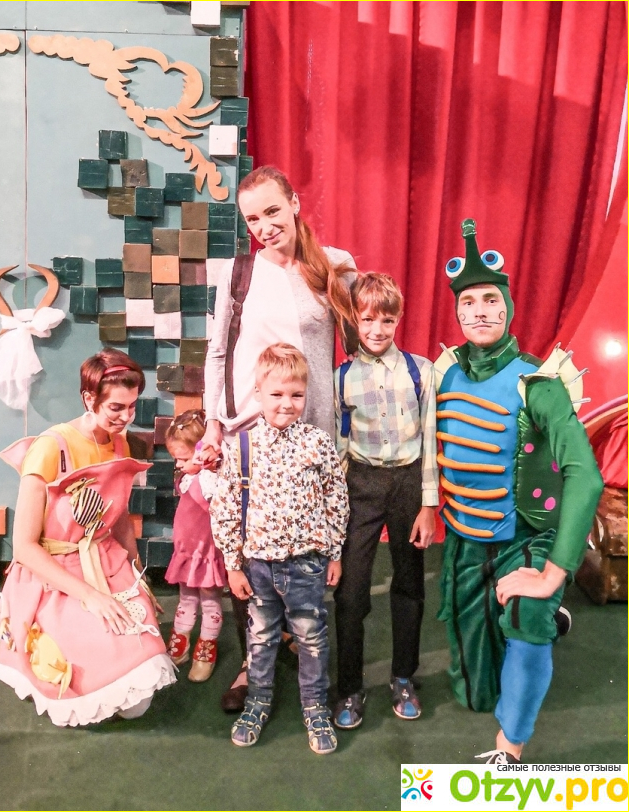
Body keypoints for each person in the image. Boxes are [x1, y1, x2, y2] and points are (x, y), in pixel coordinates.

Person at [435, 219, 603, 763]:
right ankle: (547, 618)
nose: (480, 311)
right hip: (464, 540)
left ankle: (509, 751)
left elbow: (586, 476)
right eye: (468, 302)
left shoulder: (540, 383)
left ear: (507, 307)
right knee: (476, 693)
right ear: (457, 312)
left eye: (491, 299)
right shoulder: (445, 374)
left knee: (527, 617)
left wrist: (554, 572)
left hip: (526, 534)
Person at [201, 165, 356, 711]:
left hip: (311, 428)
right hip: (249, 429)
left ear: (294, 202)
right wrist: (214, 423)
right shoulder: (239, 273)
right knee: (251, 544)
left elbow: (360, 342)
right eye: (252, 219)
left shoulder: (333, 266)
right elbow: (218, 351)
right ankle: (252, 660)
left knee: (305, 542)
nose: (264, 226)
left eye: (272, 211)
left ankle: (300, 637)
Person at [0, 349, 176, 727]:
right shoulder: (49, 447)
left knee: (137, 698)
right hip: (54, 574)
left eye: (132, 406)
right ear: (88, 398)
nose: (126, 417)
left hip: (105, 562)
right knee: (90, 692)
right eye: (116, 408)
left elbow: (118, 515)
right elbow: (24, 547)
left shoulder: (120, 442)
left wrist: (137, 572)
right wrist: (90, 596)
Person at [210, 344, 349, 754]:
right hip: (258, 567)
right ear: (258, 393)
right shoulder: (242, 447)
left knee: (311, 637)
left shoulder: (317, 443)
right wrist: (233, 565)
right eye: (276, 394)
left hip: (307, 565)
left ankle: (315, 707)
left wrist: (335, 551)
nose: (286, 403)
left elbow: (336, 498)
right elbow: (225, 508)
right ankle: (257, 702)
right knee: (261, 638)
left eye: (296, 394)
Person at [332, 273, 439, 729]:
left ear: (398, 320)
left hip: (409, 483)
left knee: (409, 583)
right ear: (354, 320)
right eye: (368, 320)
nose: (377, 330)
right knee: (351, 590)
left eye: (387, 321)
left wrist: (428, 505)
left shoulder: (422, 371)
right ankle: (349, 687)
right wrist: (334, 511)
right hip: (361, 485)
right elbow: (339, 449)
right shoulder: (341, 378)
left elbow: (430, 439)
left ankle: (403, 677)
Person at [164, 410, 226, 682]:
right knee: (186, 598)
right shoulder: (189, 478)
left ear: (201, 452)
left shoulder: (209, 482)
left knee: (210, 601)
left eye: (184, 458)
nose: (179, 464)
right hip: (187, 552)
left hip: (206, 553)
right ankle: (180, 643)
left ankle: (206, 649)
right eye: (176, 458)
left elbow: (214, 509)